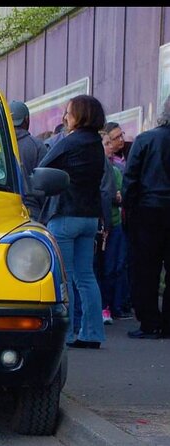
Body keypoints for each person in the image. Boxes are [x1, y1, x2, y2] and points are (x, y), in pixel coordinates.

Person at [38, 94, 107, 349]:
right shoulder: (97, 145)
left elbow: (42, 169)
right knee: (86, 277)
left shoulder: (69, 142)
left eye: (68, 112)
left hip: (65, 214)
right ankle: (92, 334)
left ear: (79, 114)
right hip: (89, 216)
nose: (65, 117)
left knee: (63, 279)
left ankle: (64, 335)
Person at [121, 94, 170, 339]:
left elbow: (131, 178)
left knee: (145, 270)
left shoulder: (146, 139)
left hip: (148, 210)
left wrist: (128, 208)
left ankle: (149, 322)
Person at [97, 130, 132, 324]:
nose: (111, 146)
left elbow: (119, 195)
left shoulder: (116, 170)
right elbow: (111, 195)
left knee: (113, 267)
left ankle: (110, 306)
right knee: (101, 268)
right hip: (103, 223)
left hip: (113, 223)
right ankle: (105, 306)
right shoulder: (102, 169)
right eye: (107, 142)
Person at [9, 100, 48, 221]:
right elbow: (44, 184)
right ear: (27, 119)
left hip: (0, 208)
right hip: (31, 211)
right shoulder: (37, 146)